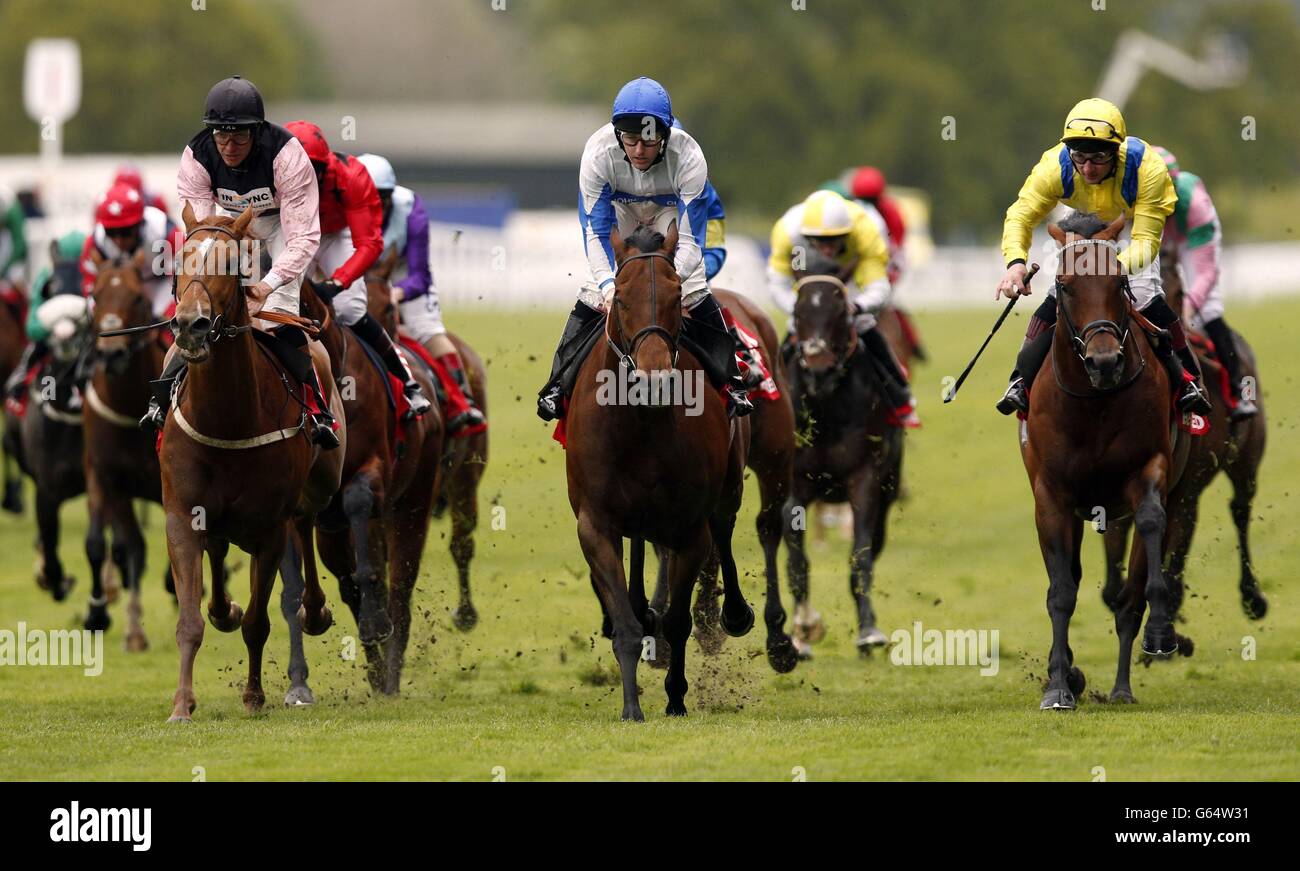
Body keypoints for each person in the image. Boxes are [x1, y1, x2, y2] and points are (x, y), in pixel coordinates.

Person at [536, 76, 752, 420]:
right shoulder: (597, 153)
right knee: (591, 293)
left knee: (695, 290)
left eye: (649, 142)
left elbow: (694, 240)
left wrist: (668, 284)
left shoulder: (690, 156)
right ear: (617, 134)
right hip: (621, 216)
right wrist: (609, 286)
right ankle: (557, 386)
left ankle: (732, 382)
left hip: (669, 216)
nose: (638, 150)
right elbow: (594, 233)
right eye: (631, 140)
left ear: (665, 136)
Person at [144, 75, 338, 448]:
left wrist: (265, 287)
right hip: (232, 227)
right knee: (200, 314)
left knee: (271, 318)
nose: (229, 146)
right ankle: (162, 399)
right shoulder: (197, 156)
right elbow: (199, 230)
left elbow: (303, 238)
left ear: (257, 131)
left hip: (285, 225)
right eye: (221, 136)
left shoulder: (287, 156)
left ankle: (316, 410)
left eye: (239, 137)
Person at [995, 97, 1211, 416]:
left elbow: (1146, 243)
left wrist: (1106, 270)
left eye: (1097, 158)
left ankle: (1188, 380)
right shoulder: (1054, 166)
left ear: (1116, 150)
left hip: (1130, 228)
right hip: (1080, 223)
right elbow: (1020, 216)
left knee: (1146, 294)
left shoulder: (1147, 168)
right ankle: (1020, 381)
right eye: (1079, 157)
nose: (1087, 168)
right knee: (1061, 294)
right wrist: (1015, 264)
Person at [286, 122, 431, 420]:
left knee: (351, 309)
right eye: (299, 169)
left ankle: (408, 383)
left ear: (326, 165)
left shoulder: (352, 177)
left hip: (335, 236)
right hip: (293, 233)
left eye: (314, 169)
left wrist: (338, 283)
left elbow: (369, 243)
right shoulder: (270, 172)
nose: (305, 178)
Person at [767, 189, 920, 427]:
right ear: (807, 236)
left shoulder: (866, 231)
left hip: (852, 281)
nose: (827, 249)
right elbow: (777, 284)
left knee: (864, 324)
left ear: (847, 234)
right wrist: (800, 310)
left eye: (835, 240)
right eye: (821, 242)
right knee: (796, 328)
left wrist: (856, 307)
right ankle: (770, 399)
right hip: (810, 281)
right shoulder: (788, 233)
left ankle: (901, 398)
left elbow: (878, 288)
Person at [355, 152, 484, 433]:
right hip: (356, 271)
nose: (377, 204)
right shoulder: (342, 205)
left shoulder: (411, 208)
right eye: (369, 197)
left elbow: (420, 275)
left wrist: (394, 295)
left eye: (383, 197)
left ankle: (461, 400)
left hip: (401, 273)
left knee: (427, 329)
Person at [1152, 146, 1257, 420]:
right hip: (1155, 230)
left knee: (1208, 310)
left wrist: (1188, 308)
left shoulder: (1195, 206)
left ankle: (1238, 393)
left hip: (1191, 236)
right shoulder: (1129, 196)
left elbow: (1206, 275)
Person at [79, 181, 182, 321]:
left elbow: (185, 273)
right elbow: (90, 285)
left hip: (161, 283)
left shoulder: (163, 230)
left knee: (169, 325)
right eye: (111, 232)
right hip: (122, 290)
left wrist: (170, 312)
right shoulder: (95, 243)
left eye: (125, 231)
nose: (118, 240)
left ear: (140, 223)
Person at [5, 231, 86, 403]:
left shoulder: (95, 275)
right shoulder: (45, 277)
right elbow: (32, 327)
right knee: (37, 352)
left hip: (87, 341)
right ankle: (22, 378)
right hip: (54, 343)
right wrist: (51, 325)